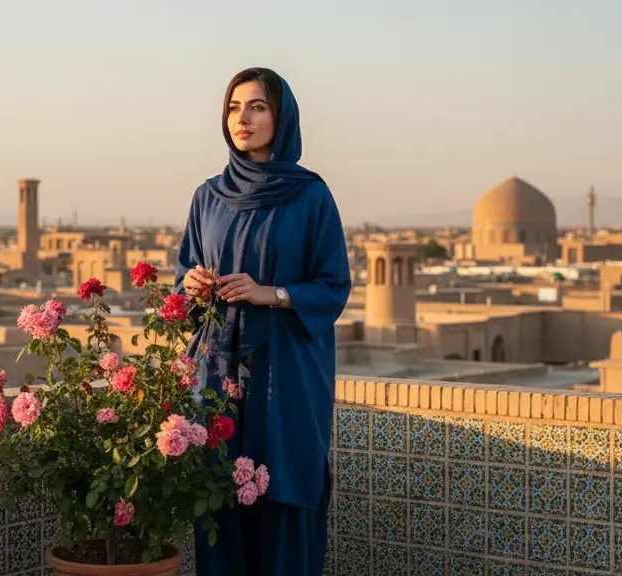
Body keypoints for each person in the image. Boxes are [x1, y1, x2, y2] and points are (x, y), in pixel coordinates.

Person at [175, 67, 352, 576]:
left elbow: (332, 284)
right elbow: (183, 273)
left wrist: (269, 293)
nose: (243, 118)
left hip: (287, 373)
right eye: (234, 107)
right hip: (219, 372)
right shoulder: (207, 197)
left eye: (256, 106)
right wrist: (189, 285)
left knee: (284, 497)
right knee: (219, 498)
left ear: (281, 116)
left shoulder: (310, 197)